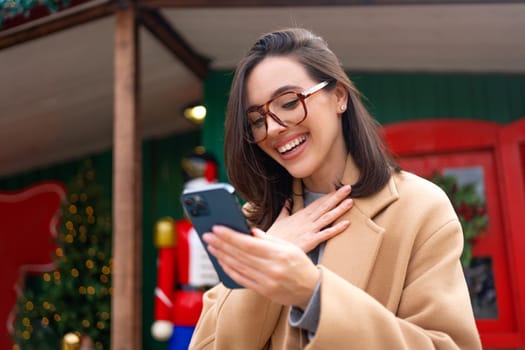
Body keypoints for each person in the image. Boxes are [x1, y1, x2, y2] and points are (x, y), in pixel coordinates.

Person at [189, 28, 481, 349]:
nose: (272, 129)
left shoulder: (420, 208)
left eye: (289, 102)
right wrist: (269, 253)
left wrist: (311, 292)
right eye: (257, 120)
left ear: (339, 96)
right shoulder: (257, 219)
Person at [151, 149, 220, 349]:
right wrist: (162, 316)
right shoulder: (175, 230)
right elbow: (164, 276)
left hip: (218, 305)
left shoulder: (223, 228)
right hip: (185, 309)